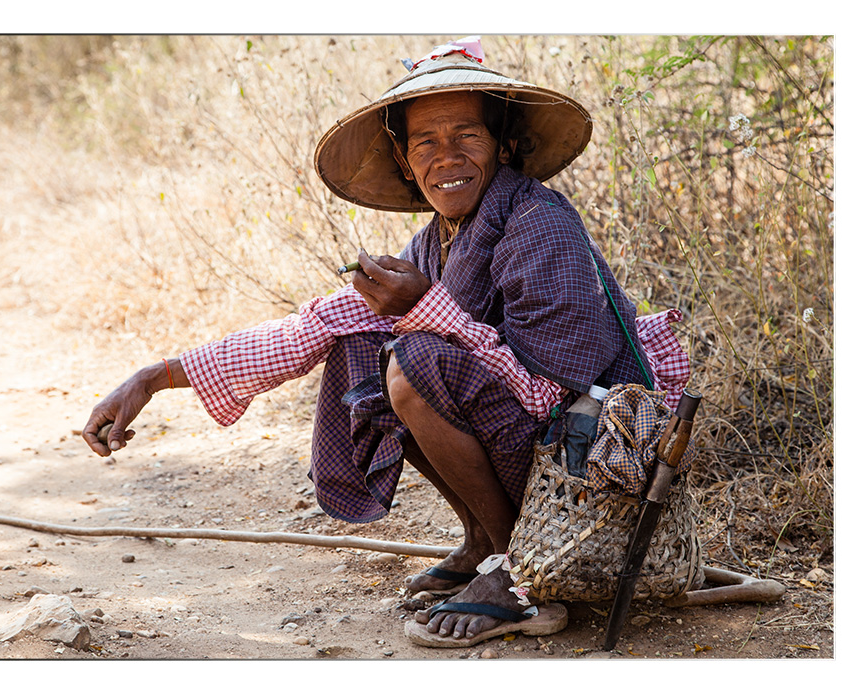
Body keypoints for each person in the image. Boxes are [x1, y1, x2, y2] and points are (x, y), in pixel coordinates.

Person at [82, 37, 690, 648]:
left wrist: (428, 310)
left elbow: (549, 395)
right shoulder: (434, 243)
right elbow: (311, 328)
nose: (445, 156)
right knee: (357, 345)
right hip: (536, 451)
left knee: (414, 361)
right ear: (404, 160)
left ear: (504, 144)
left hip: (592, 466)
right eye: (425, 141)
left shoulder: (540, 222)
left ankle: (518, 572)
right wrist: (153, 378)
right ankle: (482, 540)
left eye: (466, 136)